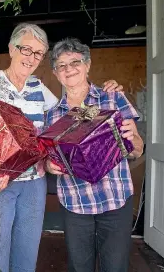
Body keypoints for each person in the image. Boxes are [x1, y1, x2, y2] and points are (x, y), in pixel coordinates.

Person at [0, 23, 123, 272]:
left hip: (34, 184)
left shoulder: (38, 88)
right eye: (26, 49)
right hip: (0, 184)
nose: (31, 58)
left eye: (38, 53)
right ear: (12, 49)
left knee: (26, 256)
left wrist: (107, 92)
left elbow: (74, 112)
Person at [44, 37, 144, 272]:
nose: (69, 69)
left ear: (87, 65)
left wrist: (135, 141)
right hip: (75, 202)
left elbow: (136, 150)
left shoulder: (112, 98)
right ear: (56, 73)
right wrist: (49, 165)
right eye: (61, 65)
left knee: (115, 267)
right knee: (79, 267)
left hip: (115, 199)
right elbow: (49, 158)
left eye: (75, 62)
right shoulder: (52, 115)